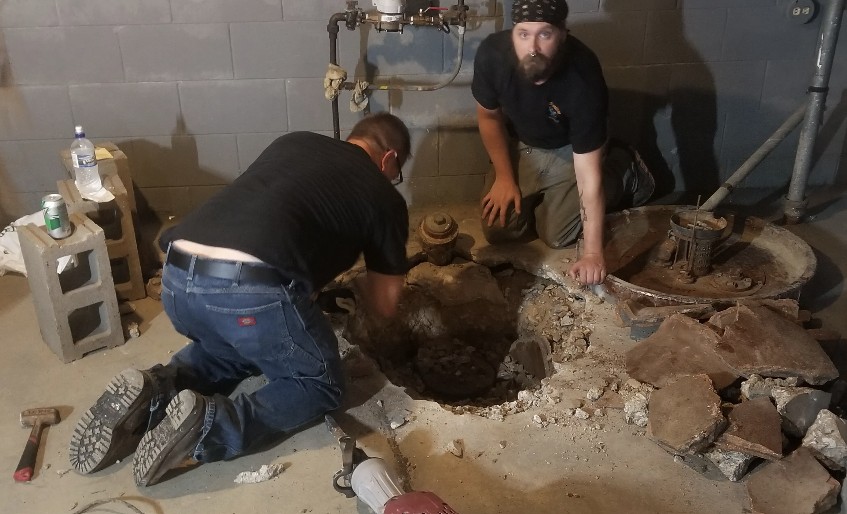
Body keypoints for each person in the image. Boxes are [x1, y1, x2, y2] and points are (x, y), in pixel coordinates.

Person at [68, 112, 411, 486]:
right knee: (320, 382)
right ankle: (210, 425)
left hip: (178, 276)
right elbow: (385, 304)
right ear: (388, 158)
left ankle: (154, 388)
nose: (392, 180)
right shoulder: (384, 197)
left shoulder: (294, 141)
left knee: (238, 348)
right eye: (395, 173)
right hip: (248, 290)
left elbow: (274, 219)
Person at [472, 0, 654, 286]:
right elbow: (489, 117)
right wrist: (505, 178)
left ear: (562, 34)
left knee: (557, 235)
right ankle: (547, 195)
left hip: (572, 149)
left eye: (544, 34)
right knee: (498, 229)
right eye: (523, 34)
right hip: (525, 144)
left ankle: (623, 168)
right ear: (513, 34)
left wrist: (594, 253)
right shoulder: (491, 56)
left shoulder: (583, 77)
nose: (532, 46)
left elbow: (587, 174)